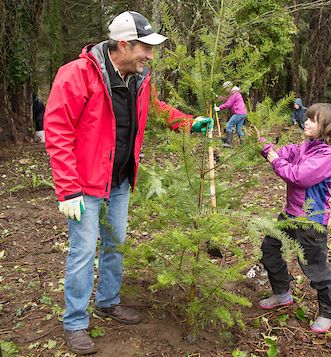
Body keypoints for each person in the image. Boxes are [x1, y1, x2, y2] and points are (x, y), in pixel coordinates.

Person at [44, 11, 212, 355]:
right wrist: (67, 189)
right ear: (123, 44)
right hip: (85, 185)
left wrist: (188, 123)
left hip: (119, 180)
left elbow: (156, 109)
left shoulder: (139, 79)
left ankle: (108, 301)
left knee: (116, 243)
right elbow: (58, 131)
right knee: (82, 253)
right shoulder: (77, 75)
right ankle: (75, 322)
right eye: (145, 49)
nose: (150, 55)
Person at [259, 103, 331, 333]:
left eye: (313, 120)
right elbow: (289, 152)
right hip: (290, 213)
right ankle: (282, 293)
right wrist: (266, 147)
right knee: (269, 249)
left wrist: (274, 159)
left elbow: (299, 177)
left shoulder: (328, 155)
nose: (306, 122)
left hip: (310, 220)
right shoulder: (308, 145)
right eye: (307, 118)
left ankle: (328, 312)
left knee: (314, 267)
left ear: (328, 127)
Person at [214, 81, 247, 147]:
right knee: (238, 129)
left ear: (228, 87)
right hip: (243, 113)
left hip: (238, 113)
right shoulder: (234, 93)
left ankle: (228, 143)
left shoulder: (234, 93)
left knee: (229, 125)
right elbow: (226, 99)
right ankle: (244, 144)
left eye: (226, 88)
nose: (226, 90)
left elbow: (228, 104)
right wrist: (217, 96)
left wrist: (219, 108)